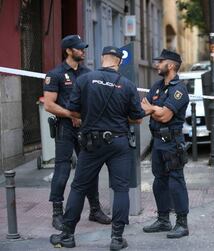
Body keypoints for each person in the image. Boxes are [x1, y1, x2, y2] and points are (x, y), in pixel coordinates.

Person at [49, 46, 146, 250]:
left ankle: (67, 236)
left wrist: (90, 115)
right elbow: (137, 117)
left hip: (92, 143)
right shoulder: (127, 85)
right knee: (120, 189)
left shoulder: (84, 80)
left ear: (102, 58)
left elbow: (73, 110)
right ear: (119, 62)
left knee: (78, 187)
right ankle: (117, 239)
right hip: (119, 142)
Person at [43, 35, 111, 231]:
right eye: (79, 48)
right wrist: (70, 114)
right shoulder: (55, 74)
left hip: (85, 128)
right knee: (62, 170)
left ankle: (95, 209)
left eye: (83, 48)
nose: (83, 51)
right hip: (65, 128)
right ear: (68, 51)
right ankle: (57, 213)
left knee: (90, 168)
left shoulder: (88, 74)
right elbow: (48, 104)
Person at [141, 49, 190, 239]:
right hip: (158, 142)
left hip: (172, 142)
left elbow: (165, 115)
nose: (156, 65)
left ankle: (182, 223)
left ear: (170, 66)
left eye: (160, 62)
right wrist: (153, 109)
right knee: (159, 181)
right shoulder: (157, 86)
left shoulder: (179, 89)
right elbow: (144, 109)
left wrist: (151, 108)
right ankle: (163, 220)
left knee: (175, 181)